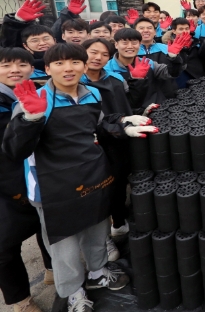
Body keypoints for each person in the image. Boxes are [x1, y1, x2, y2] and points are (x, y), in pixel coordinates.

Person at [2, 43, 156, 312]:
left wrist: (123, 126)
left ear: (84, 66)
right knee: (65, 245)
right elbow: (15, 151)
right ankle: (72, 291)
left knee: (97, 230)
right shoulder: (33, 101)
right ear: (47, 68)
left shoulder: (92, 94)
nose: (68, 68)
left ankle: (98, 273)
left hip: (91, 175)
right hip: (53, 186)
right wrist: (31, 119)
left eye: (74, 62)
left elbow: (97, 127)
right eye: (59, 64)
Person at [80, 38, 149, 258]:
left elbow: (126, 107)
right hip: (95, 144)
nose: (98, 58)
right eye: (93, 52)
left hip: (120, 137)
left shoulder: (116, 80)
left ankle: (119, 224)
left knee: (119, 183)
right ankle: (104, 241)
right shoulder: (77, 84)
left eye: (104, 55)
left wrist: (142, 112)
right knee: (102, 190)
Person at [0, 47, 52, 312]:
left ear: (33, 69)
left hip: (38, 176)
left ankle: (51, 269)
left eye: (22, 65)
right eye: (6, 65)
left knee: (46, 227)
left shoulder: (42, 93)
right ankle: (21, 300)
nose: (14, 70)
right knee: (5, 246)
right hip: (6, 183)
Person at [105, 28, 185, 110]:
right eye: (125, 43)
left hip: (155, 108)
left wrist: (173, 58)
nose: (130, 46)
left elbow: (171, 73)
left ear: (139, 44)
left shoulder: (147, 63)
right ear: (116, 45)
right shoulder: (107, 70)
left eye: (134, 43)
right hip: (128, 115)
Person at [162, 18, 204, 87]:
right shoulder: (168, 46)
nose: (184, 31)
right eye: (181, 29)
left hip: (197, 77)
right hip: (180, 80)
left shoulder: (196, 42)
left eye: (187, 29)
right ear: (174, 31)